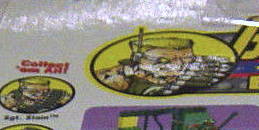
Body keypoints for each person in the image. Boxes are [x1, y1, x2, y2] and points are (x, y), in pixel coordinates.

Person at [97, 33, 233, 96]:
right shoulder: (128, 78)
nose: (178, 65)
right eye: (163, 60)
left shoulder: (207, 68)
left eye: (185, 59)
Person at [0, 76, 72, 113]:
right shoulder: (13, 95)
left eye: (44, 84)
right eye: (41, 85)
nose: (45, 88)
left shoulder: (57, 94)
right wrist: (9, 105)